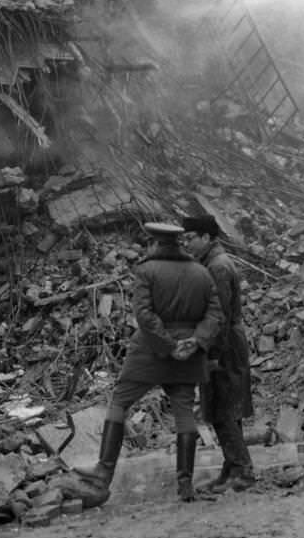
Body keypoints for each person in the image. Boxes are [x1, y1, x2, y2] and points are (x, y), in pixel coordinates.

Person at [75, 222, 222, 504]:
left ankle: (103, 473)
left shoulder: (146, 270)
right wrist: (195, 341)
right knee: (183, 410)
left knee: (119, 402)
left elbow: (144, 314)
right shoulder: (202, 272)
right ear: (178, 244)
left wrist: (167, 345)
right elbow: (216, 314)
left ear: (155, 244)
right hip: (189, 354)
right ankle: (185, 484)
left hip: (150, 351)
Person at [182, 214, 256, 492]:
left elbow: (220, 316)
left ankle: (242, 470)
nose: (187, 244)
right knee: (225, 405)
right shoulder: (212, 263)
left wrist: (213, 354)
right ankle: (231, 465)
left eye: (191, 238)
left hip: (224, 343)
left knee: (223, 406)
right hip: (225, 340)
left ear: (207, 237)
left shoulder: (218, 267)